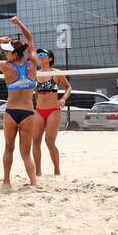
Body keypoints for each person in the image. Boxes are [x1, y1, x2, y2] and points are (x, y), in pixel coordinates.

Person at [0, 15, 39, 188]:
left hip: (11, 112)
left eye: (7, 51)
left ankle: (6, 181)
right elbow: (30, 38)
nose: (5, 53)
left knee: (8, 148)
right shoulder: (32, 64)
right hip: (27, 113)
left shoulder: (7, 67)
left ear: (14, 53)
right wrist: (18, 23)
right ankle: (34, 183)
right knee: (26, 153)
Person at [32, 48, 70, 176]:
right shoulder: (36, 74)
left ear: (50, 58)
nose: (41, 57)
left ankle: (57, 170)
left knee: (49, 141)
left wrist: (63, 98)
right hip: (39, 110)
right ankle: (38, 172)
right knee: (35, 140)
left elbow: (68, 87)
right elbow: (36, 92)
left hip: (53, 110)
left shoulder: (56, 73)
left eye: (43, 55)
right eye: (39, 55)